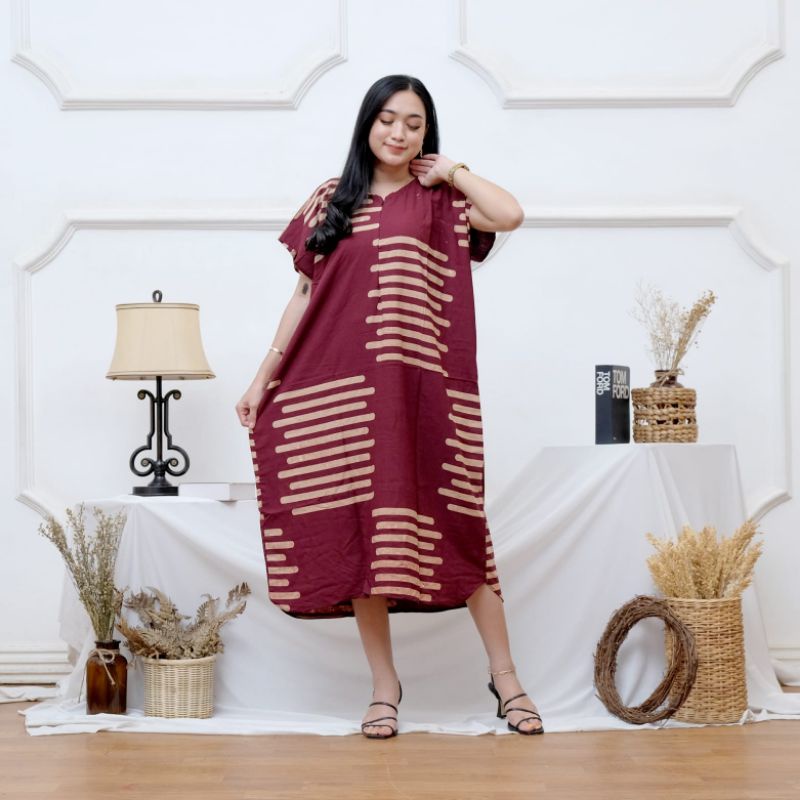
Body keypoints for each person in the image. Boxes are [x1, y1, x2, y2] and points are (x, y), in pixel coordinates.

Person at [236, 75, 542, 738]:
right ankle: (384, 687)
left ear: (427, 133)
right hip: (342, 395)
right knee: (364, 538)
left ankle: (507, 678)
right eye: (387, 119)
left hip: (423, 397)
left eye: (413, 122)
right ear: (367, 124)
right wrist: (263, 378)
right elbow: (304, 296)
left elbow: (510, 215)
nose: (399, 133)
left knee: (457, 529)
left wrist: (454, 170)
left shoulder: (443, 201)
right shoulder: (330, 200)